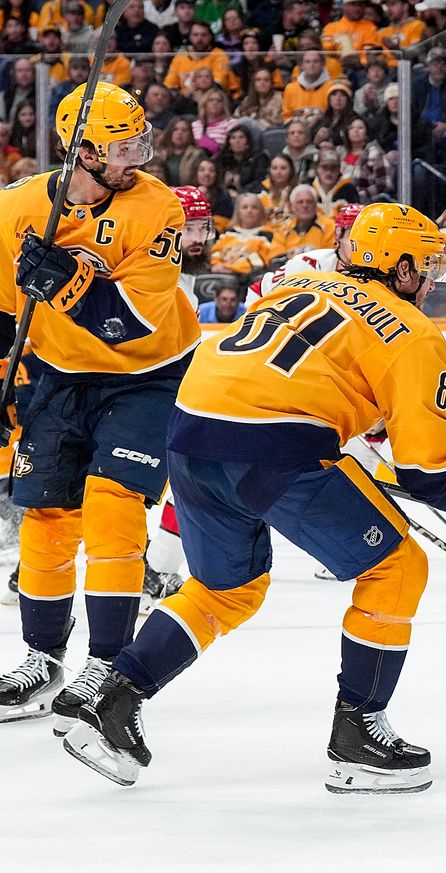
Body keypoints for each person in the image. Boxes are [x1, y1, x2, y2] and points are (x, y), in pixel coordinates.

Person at [61, 201, 446, 792]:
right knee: (398, 567)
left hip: (190, 430)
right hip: (273, 446)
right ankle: (359, 737)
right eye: (424, 265)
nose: (430, 279)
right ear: (397, 268)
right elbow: (428, 467)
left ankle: (113, 700)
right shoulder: (414, 334)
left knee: (227, 589)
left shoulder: (304, 279)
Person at [0, 83, 201, 732]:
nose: (136, 157)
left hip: (145, 375)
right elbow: (5, 313)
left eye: (138, 141)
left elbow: (133, 322)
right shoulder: (20, 207)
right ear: (80, 151)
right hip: (60, 374)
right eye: (121, 147)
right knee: (46, 514)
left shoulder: (158, 206)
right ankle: (41, 658)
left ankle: (107, 666)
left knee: (113, 504)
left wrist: (69, 279)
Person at [254, 203, 365, 299]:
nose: (360, 245)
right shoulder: (309, 263)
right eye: (353, 236)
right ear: (338, 235)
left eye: (366, 238)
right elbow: (258, 290)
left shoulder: (378, 271)